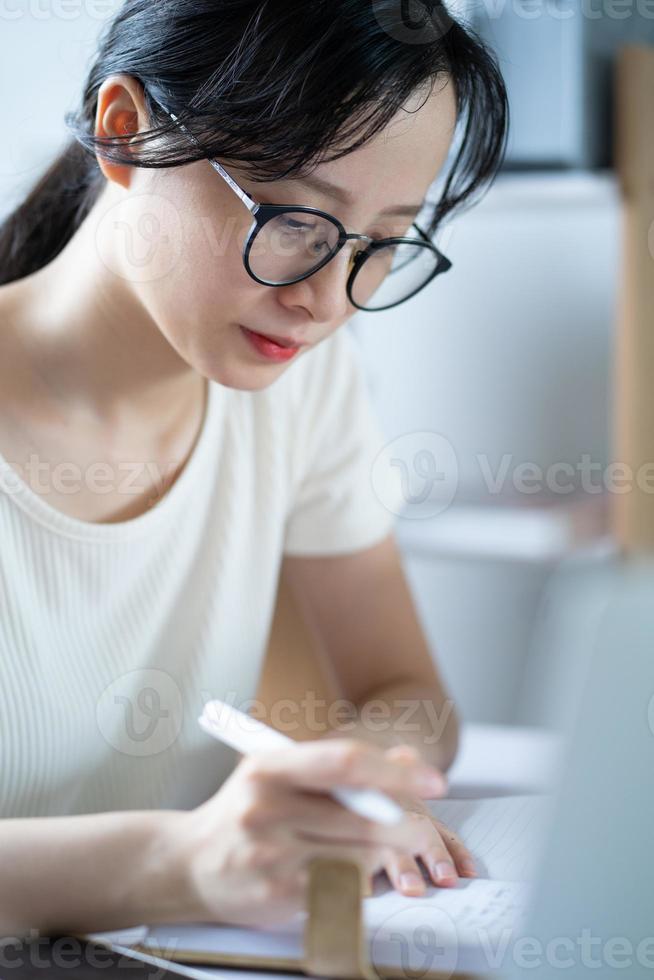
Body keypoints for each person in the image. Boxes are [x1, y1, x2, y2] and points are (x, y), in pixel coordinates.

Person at [0, 0, 508, 937]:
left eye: (383, 243)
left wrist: (360, 773)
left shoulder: (297, 389)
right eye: (294, 219)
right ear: (126, 133)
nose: (324, 301)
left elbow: (404, 692)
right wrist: (180, 863)